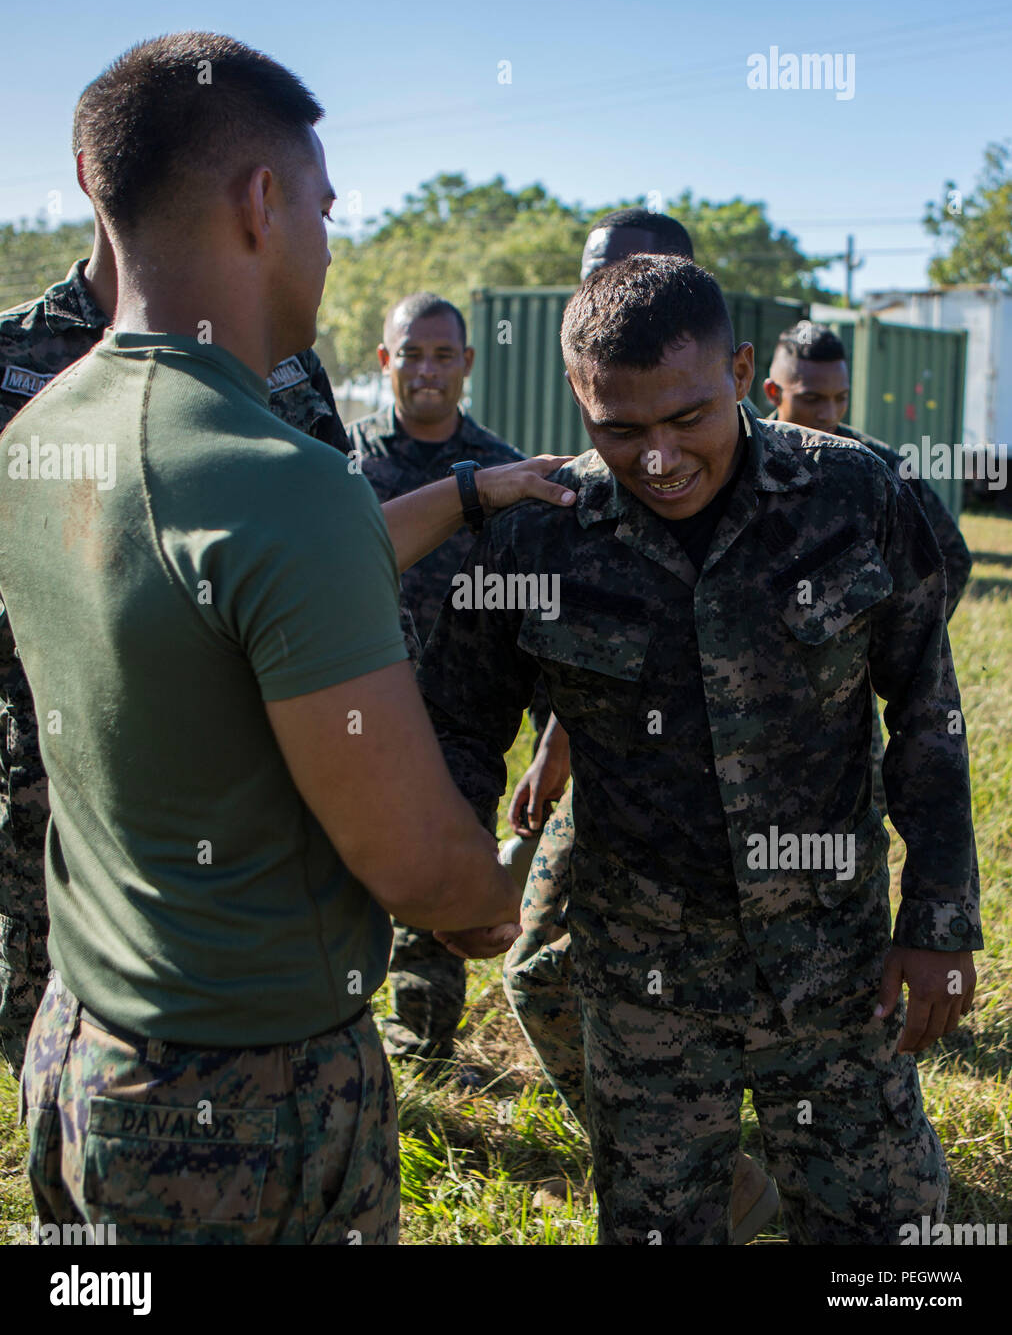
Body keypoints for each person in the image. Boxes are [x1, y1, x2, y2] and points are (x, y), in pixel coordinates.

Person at [0, 31, 575, 1245]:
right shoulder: (283, 477)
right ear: (262, 204)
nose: (327, 237)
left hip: (80, 1053)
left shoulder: (45, 432)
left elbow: (230, 576)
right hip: (247, 1104)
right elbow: (420, 863)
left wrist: (471, 492)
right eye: (322, 204)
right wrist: (500, 902)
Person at [417, 254, 979, 1244]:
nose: (660, 459)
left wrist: (938, 915)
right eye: (620, 429)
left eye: (688, 420)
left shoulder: (852, 494)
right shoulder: (535, 538)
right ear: (577, 399)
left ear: (739, 372)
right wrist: (459, 866)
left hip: (835, 971)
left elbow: (924, 710)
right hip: (645, 990)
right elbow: (463, 723)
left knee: (890, 1241)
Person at [0, 220, 367, 1080]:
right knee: (43, 1000)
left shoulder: (279, 359)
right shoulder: (16, 351)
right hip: (48, 756)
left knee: (205, 1003)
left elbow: (326, 525)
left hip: (230, 763)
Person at [503, 211, 778, 1240]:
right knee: (543, 971)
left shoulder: (804, 478)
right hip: (630, 786)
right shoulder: (580, 491)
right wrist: (559, 740)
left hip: (768, 813)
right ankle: (702, 1170)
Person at [349, 293, 544, 1070]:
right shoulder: (345, 462)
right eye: (412, 353)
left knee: (437, 869)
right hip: (354, 707)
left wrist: (545, 732)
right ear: (385, 361)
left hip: (454, 722)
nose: (427, 370)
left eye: (443, 354)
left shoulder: (502, 474)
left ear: (466, 363)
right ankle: (331, 1030)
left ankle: (418, 1048)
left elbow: (528, 614)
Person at [764, 322, 972, 618]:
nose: (829, 413)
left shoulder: (879, 466)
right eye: (812, 399)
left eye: (841, 397)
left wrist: (896, 645)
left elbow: (951, 556)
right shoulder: (743, 459)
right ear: (773, 392)